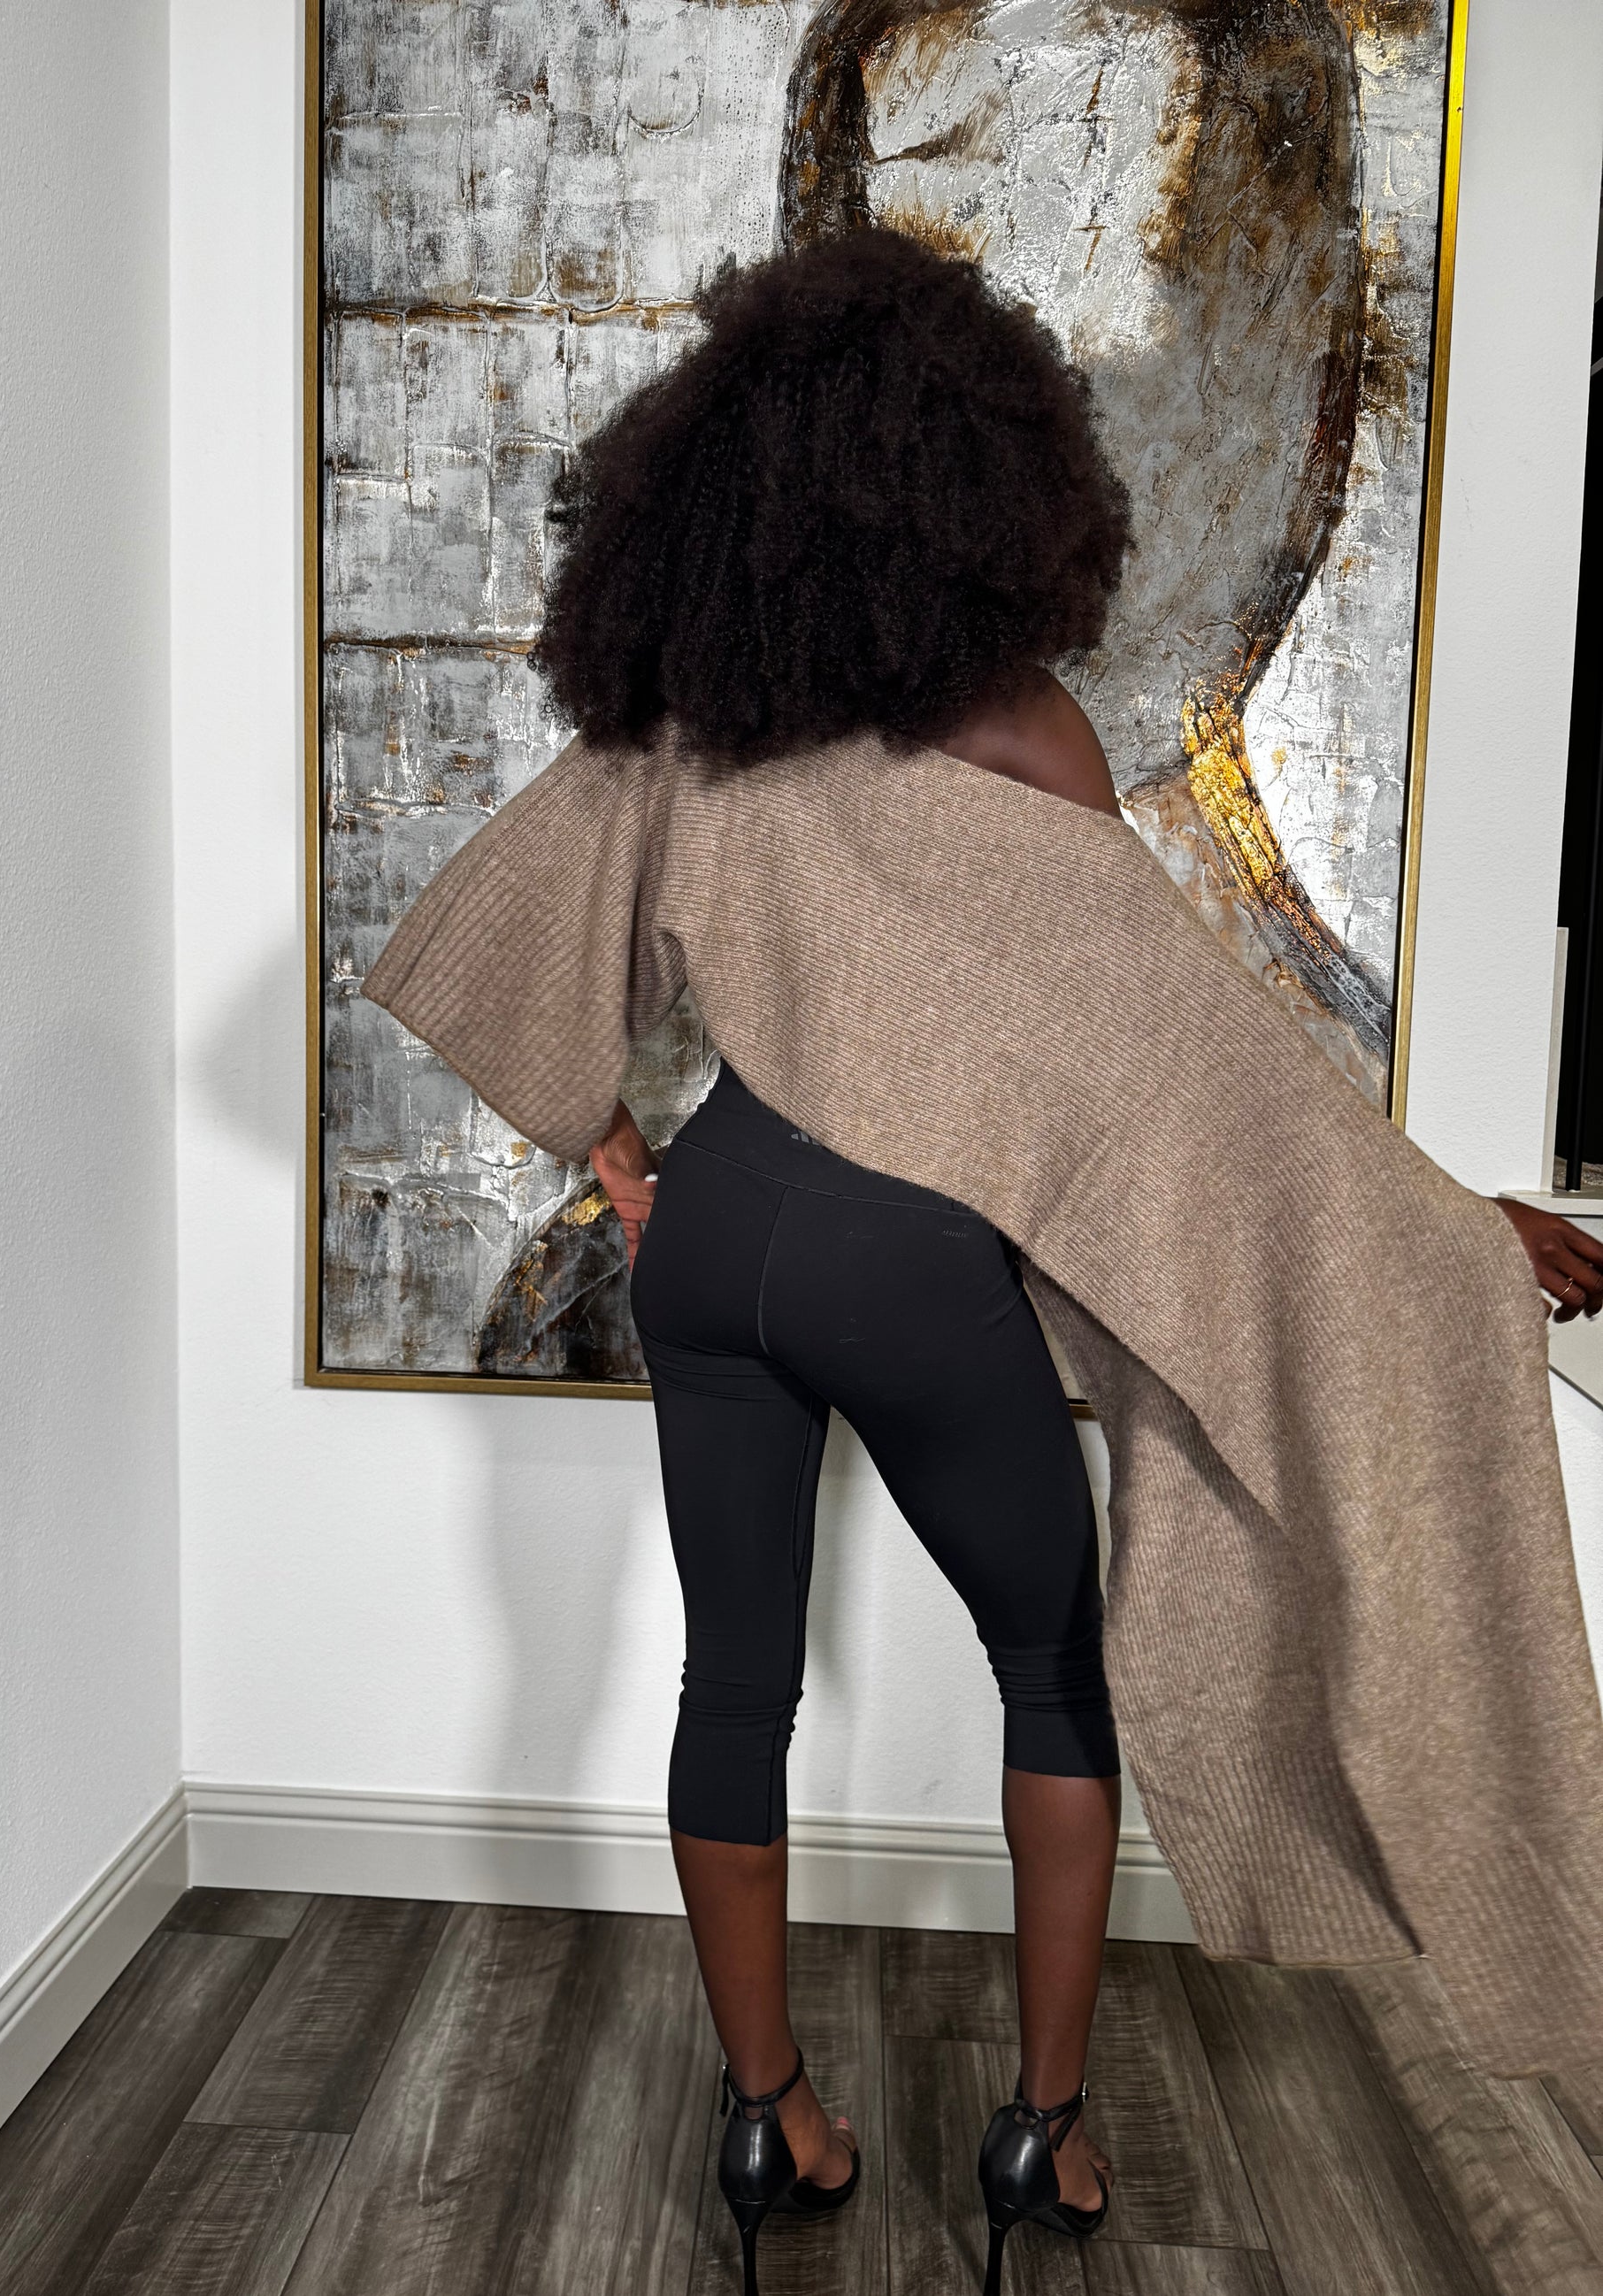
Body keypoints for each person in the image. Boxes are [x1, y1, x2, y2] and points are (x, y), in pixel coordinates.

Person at [367, 228, 1603, 2295]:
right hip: (903, 1261)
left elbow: (501, 942)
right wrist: (1452, 1232)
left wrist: (620, 1156)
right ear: (982, 479)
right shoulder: (1027, 736)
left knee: (729, 1680)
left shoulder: (684, 718)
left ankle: (766, 2113)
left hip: (719, 1239)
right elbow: (1205, 1073)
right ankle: (1042, 2128)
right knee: (1051, 1666)